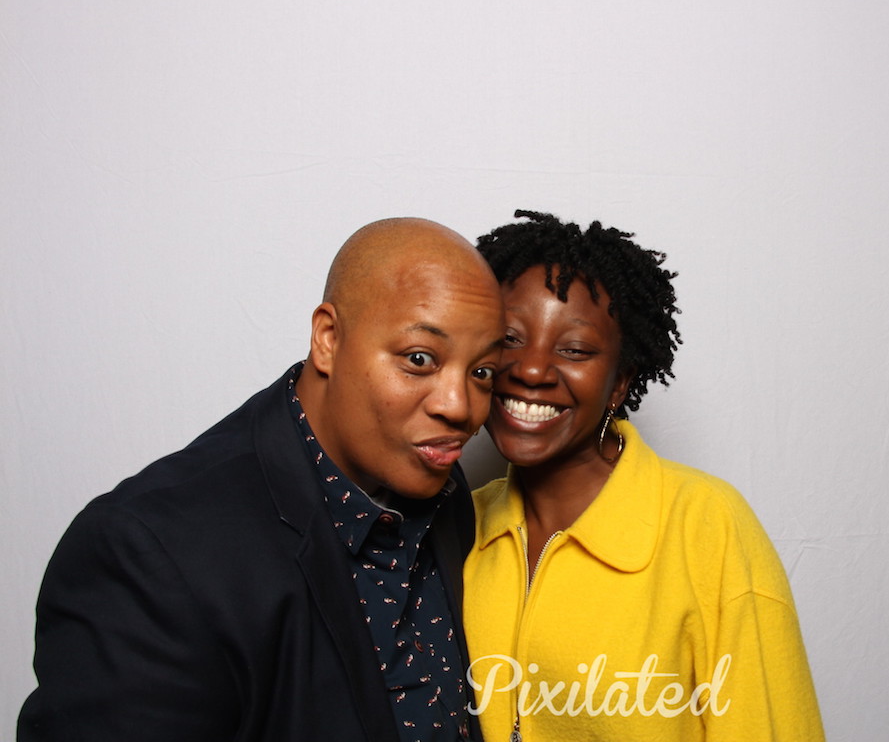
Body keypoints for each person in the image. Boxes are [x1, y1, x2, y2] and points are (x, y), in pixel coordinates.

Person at [18, 218, 505, 742]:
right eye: (419, 359)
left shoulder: (440, 481)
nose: (459, 406)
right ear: (328, 339)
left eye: (482, 371)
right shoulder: (150, 555)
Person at [462, 211, 825, 741]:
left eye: (574, 349)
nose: (532, 369)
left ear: (618, 384)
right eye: (509, 339)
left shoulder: (706, 525)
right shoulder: (458, 525)